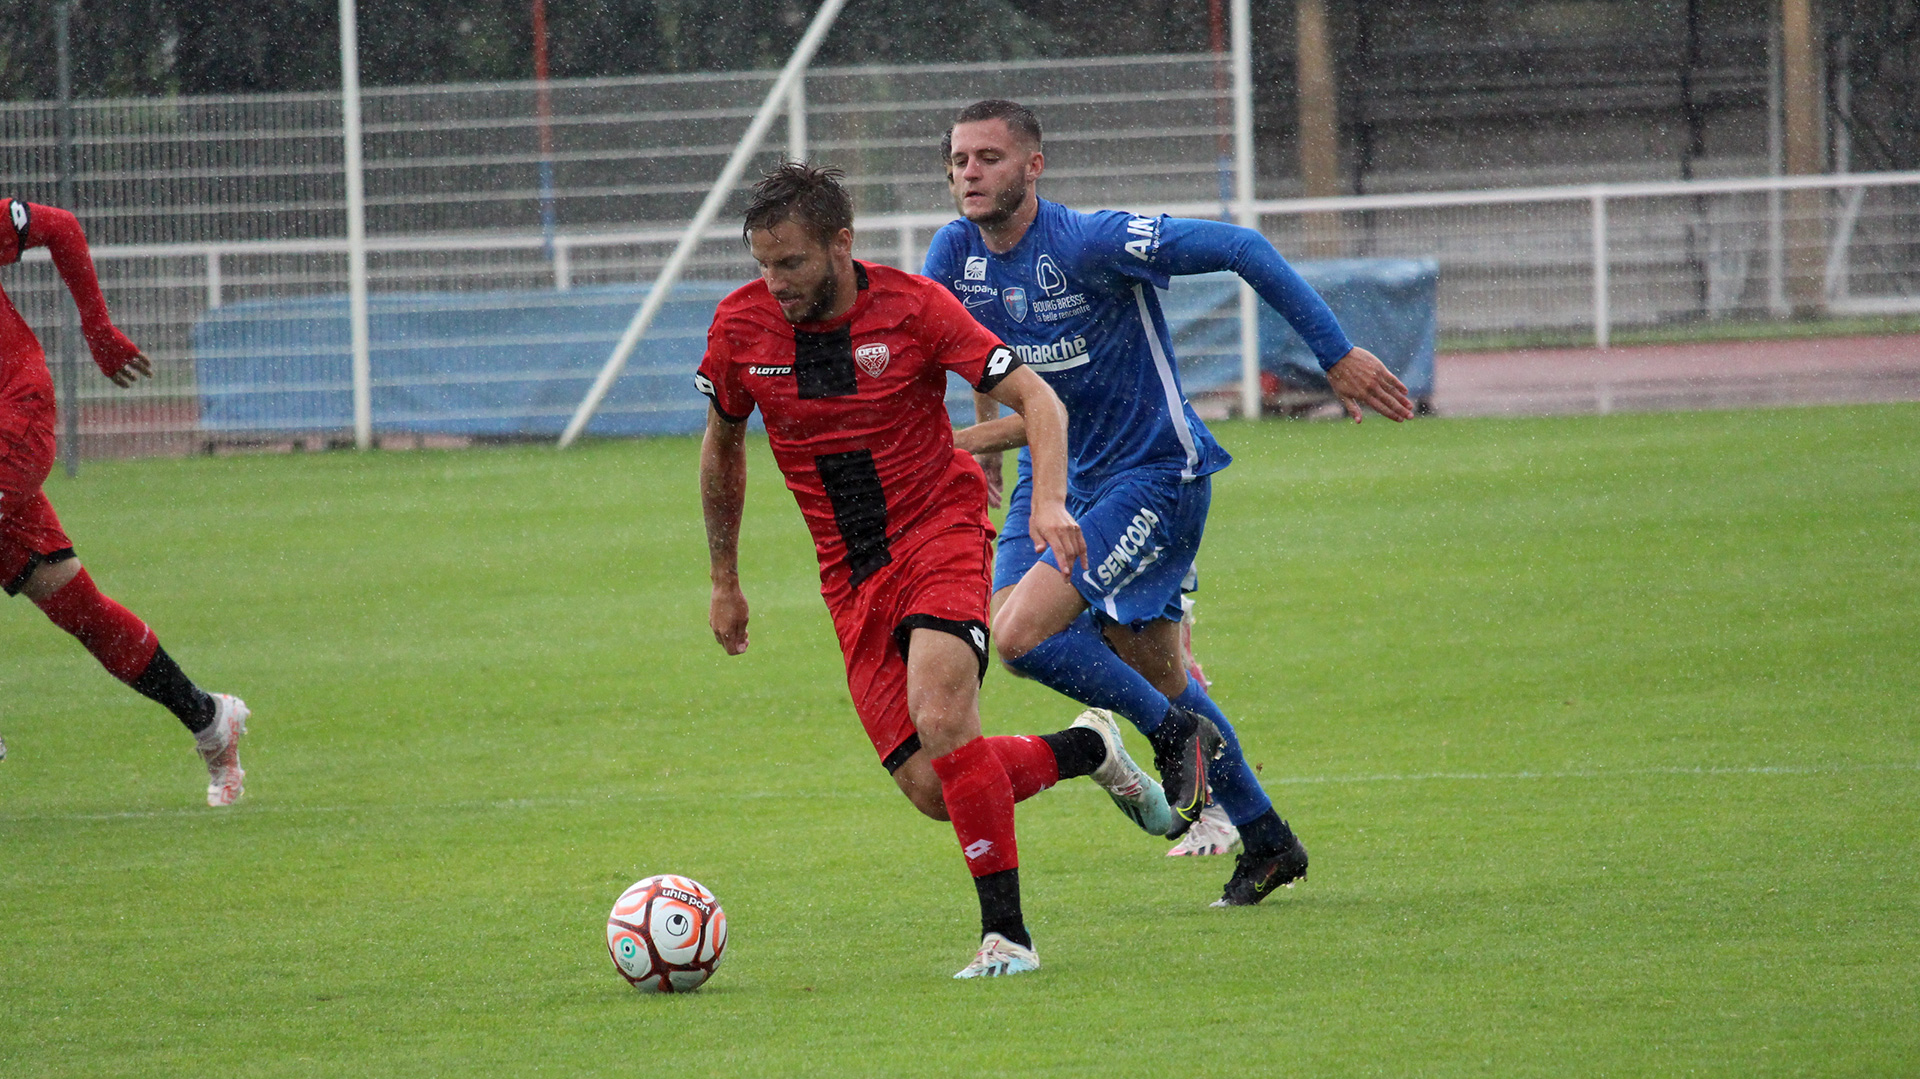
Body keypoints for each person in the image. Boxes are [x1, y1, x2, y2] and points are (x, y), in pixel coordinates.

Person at [924, 100, 1414, 906]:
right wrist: (966, 449)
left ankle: (1163, 733)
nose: (968, 172)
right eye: (957, 160)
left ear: (1033, 166)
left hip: (1156, 474)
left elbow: (1243, 247)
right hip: (1058, 477)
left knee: (1018, 637)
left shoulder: (1093, 242)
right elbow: (966, 361)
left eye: (988, 157)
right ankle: (1267, 839)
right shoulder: (954, 253)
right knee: (1146, 662)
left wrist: (1334, 352)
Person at [695, 163, 1173, 979]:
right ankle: (1088, 748)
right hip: (850, 575)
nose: (774, 282)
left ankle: (1008, 939)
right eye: (762, 264)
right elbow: (724, 447)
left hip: (939, 531)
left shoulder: (915, 308)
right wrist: (724, 578)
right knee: (931, 785)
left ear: (842, 244)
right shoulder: (741, 329)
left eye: (792, 263)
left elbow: (1041, 400)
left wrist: (1049, 504)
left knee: (943, 712)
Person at [0, 197, 248, 805]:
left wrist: (98, 327)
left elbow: (59, 226)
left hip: (15, 412)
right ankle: (209, 719)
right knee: (75, 607)